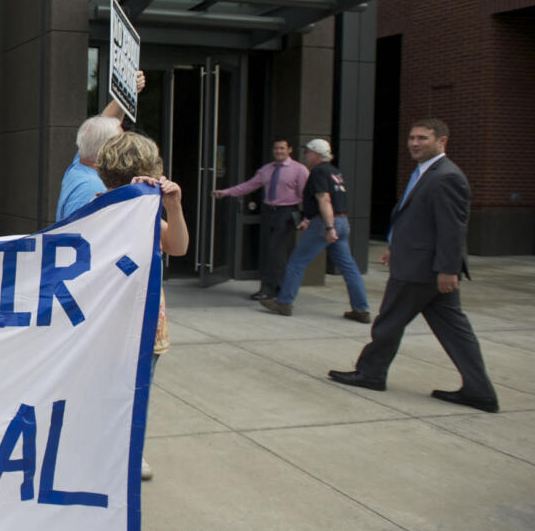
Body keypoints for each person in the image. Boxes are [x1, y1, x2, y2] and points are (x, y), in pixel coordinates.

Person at [328, 120, 499, 412]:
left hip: (423, 270)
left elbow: (452, 228)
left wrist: (448, 269)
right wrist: (396, 248)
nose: (414, 143)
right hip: (420, 263)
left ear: (442, 141)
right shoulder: (426, 173)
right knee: (455, 331)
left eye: (423, 138)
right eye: (411, 138)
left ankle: (371, 373)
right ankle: (479, 391)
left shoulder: (447, 176)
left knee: (389, 322)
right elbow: (418, 221)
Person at [95, 131, 189, 531]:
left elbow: (179, 246)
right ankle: (111, 522)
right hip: (113, 337)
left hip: (144, 335)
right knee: (115, 431)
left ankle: (121, 521)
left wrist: (173, 206)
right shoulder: (102, 208)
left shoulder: (149, 210)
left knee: (128, 431)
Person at [259, 139, 370, 322]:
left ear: (317, 154)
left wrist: (328, 227)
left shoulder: (318, 172)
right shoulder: (335, 172)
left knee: (297, 262)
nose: (306, 155)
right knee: (349, 268)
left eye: (308, 152)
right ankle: (361, 309)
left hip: (325, 223)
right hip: (342, 222)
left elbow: (324, 199)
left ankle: (284, 302)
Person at [213, 138, 308, 300]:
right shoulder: (267, 169)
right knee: (268, 250)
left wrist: (307, 217)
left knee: (276, 252)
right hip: (269, 211)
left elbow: (306, 194)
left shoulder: (299, 170)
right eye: (276, 148)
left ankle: (270, 289)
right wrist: (226, 192)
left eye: (282, 148)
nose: (278, 151)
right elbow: (249, 186)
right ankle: (273, 288)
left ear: (290, 150)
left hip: (286, 212)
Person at [56, 116, 122, 222]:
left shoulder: (79, 165)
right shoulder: (93, 187)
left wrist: (123, 102)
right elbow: (75, 234)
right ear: (106, 150)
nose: (125, 147)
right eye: (121, 143)